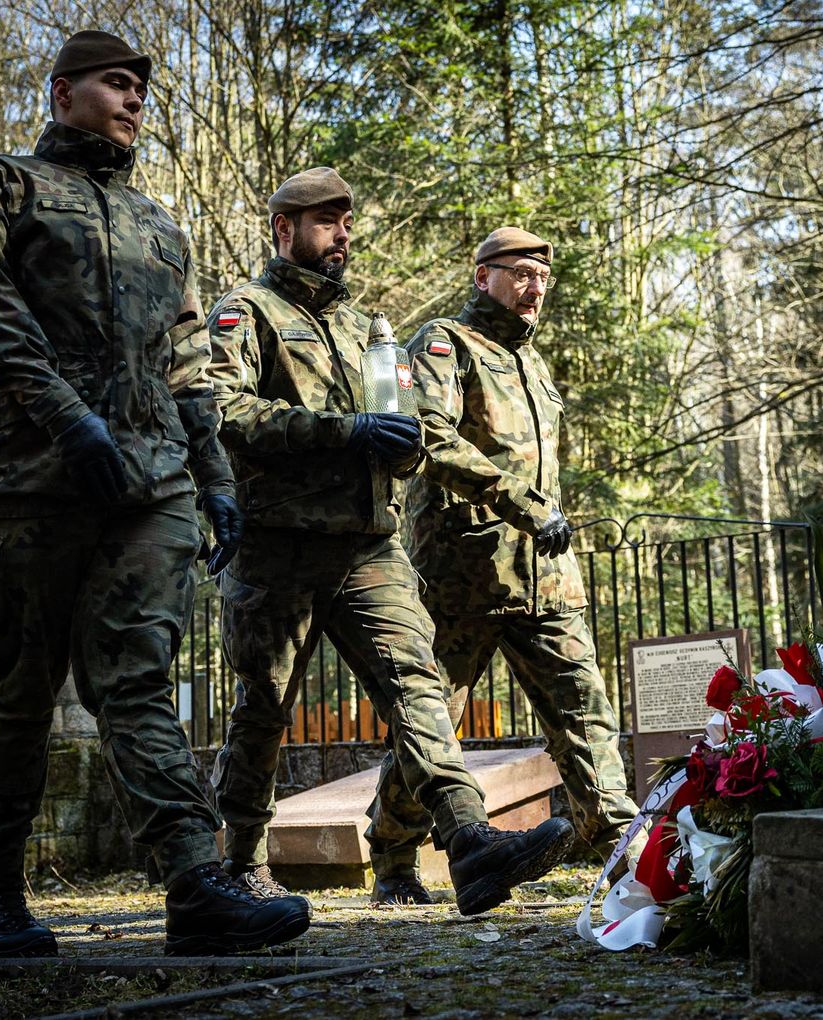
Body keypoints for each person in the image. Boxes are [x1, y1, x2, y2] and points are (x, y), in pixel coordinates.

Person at [0, 30, 311, 957]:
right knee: (20, 687)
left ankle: (194, 886)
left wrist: (214, 478)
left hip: (148, 486)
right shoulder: (3, 187)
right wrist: (68, 418)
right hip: (30, 481)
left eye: (141, 88)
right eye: (115, 83)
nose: (135, 99)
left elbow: (186, 362)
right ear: (63, 93)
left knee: (138, 679)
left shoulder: (157, 225)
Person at [204, 170, 574, 915]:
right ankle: (241, 863)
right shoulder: (248, 312)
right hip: (279, 547)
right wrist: (346, 432)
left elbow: (400, 426)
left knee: (418, 688)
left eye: (347, 223)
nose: (342, 235)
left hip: (369, 545)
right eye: (325, 222)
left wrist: (399, 448)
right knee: (265, 707)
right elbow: (224, 409)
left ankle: (469, 839)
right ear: (283, 230)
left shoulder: (364, 328)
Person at [366, 228, 639, 902]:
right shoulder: (446, 344)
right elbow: (430, 435)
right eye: (520, 273)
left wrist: (544, 518)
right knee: (432, 721)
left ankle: (624, 851)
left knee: (584, 710)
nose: (534, 287)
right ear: (482, 275)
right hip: (465, 575)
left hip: (547, 578)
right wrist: (523, 504)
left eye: (542, 277)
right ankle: (394, 857)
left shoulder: (533, 362)